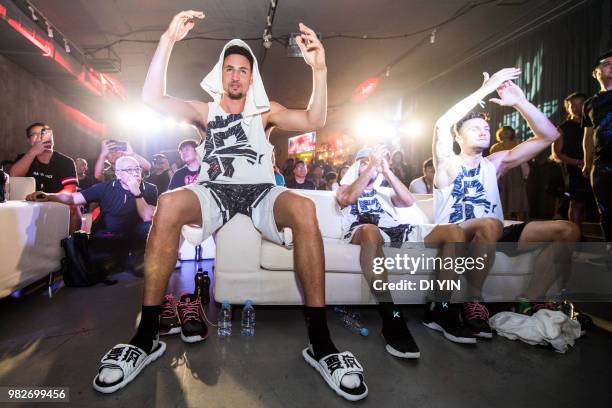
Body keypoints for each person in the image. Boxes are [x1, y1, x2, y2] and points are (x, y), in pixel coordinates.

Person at [92, 11, 367, 401]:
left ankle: (321, 343)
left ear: (251, 77)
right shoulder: (206, 111)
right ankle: (145, 336)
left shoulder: (264, 110)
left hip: (259, 190)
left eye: (243, 69)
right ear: (220, 76)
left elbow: (314, 118)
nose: (236, 75)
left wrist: (319, 70)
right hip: (214, 190)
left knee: (304, 209)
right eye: (229, 69)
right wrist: (168, 39)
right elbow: (153, 98)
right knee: (168, 204)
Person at [433, 68, 580, 320]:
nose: (483, 131)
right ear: (458, 136)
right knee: (489, 225)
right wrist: (486, 89)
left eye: (485, 128)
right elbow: (441, 124)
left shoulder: (495, 163)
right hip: (456, 232)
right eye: (474, 128)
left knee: (568, 230)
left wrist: (520, 102)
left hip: (495, 232)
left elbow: (549, 136)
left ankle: (529, 301)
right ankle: (474, 300)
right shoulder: (448, 163)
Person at [337, 145, 468, 354]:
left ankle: (441, 308)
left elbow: (408, 201)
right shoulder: (345, 187)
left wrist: (386, 171)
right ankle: (390, 315)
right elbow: (348, 199)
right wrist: (371, 165)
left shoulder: (385, 191)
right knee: (371, 231)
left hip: (397, 231)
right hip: (363, 231)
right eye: (364, 162)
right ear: (355, 167)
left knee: (455, 232)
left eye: (373, 163)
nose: (372, 166)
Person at [26, 156, 157, 275]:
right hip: (108, 235)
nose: (135, 173)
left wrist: (137, 193)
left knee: (147, 228)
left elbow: (147, 217)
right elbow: (73, 198)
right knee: (96, 268)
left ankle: (134, 256)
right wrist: (48, 196)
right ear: (118, 174)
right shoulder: (104, 188)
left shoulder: (150, 189)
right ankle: (118, 259)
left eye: (137, 169)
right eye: (129, 170)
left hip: (133, 237)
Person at [11, 123, 80, 231]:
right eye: (36, 134)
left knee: (74, 207)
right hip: (27, 202)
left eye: (45, 133)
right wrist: (33, 152)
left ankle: (72, 244)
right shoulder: (24, 158)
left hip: (55, 201)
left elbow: (70, 189)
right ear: (29, 141)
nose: (41, 137)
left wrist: (49, 197)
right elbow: (14, 175)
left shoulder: (66, 161)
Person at [583, 50, 612, 241]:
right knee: (607, 211)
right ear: (596, 72)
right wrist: (587, 162)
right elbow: (588, 135)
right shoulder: (590, 104)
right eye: (607, 63)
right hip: (602, 165)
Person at [552, 93, 590, 227]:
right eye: (573, 105)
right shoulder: (562, 128)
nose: (576, 107)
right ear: (568, 107)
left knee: (590, 204)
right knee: (576, 203)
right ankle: (574, 236)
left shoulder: (594, 124)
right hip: (574, 170)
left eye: (581, 104)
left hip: (595, 168)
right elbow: (556, 154)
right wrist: (578, 162)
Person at [489, 126, 530, 221]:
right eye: (504, 131)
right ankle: (505, 223)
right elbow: (493, 162)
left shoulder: (517, 143)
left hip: (516, 172)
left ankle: (520, 223)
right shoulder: (495, 147)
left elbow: (523, 157)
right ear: (500, 134)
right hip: (502, 174)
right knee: (503, 197)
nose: (506, 132)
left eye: (508, 131)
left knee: (517, 196)